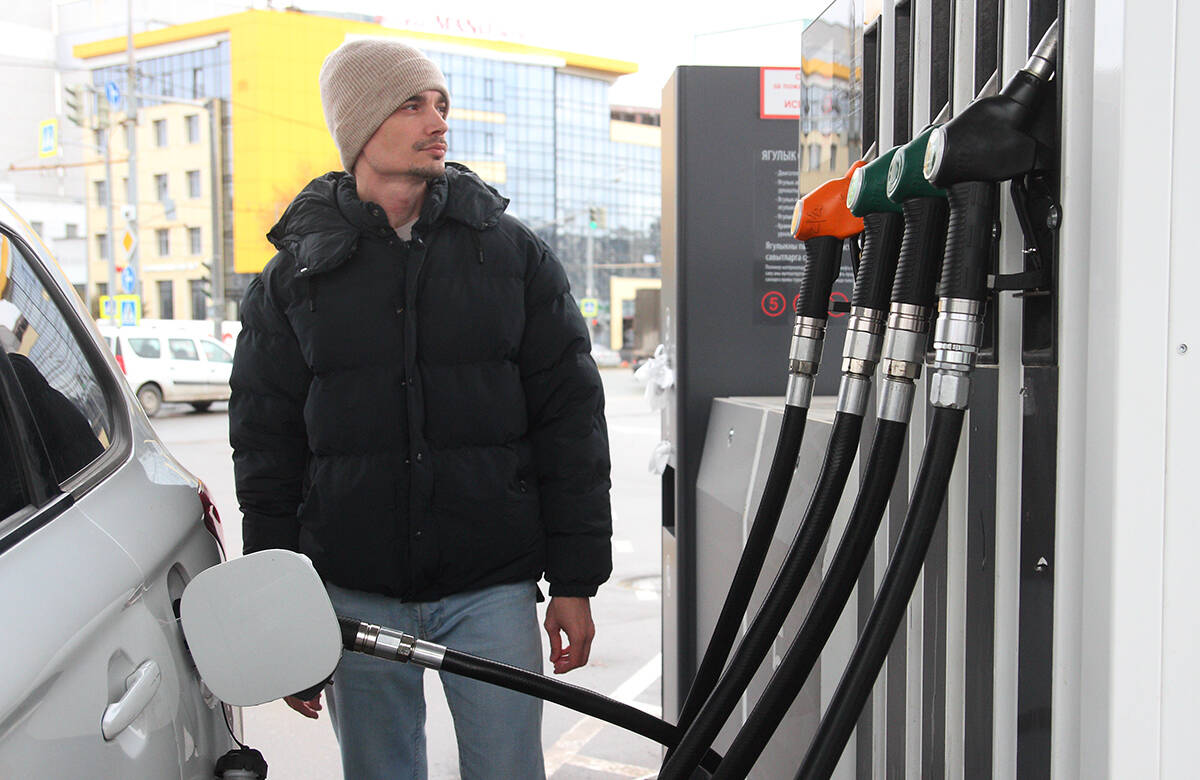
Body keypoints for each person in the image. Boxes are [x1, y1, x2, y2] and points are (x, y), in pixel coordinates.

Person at [229, 39, 612, 780]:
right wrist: (284, 614)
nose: (438, 122)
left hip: (491, 585)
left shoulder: (513, 257)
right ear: (360, 124)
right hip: (353, 591)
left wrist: (574, 580)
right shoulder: (294, 278)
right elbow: (266, 452)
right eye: (412, 105)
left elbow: (571, 425)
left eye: (441, 104)